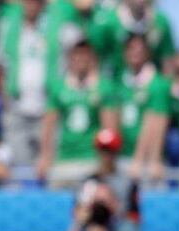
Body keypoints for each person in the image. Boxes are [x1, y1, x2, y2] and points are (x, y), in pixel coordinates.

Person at [37, 41, 118, 184]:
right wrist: (45, 156)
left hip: (91, 159)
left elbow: (109, 128)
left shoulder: (103, 87)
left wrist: (106, 161)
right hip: (65, 158)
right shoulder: (59, 87)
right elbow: (49, 124)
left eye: (85, 56)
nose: (81, 60)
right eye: (77, 56)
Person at [0, 0, 48, 167]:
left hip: (46, 106)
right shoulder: (8, 26)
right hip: (17, 106)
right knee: (19, 164)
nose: (32, 5)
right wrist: (5, 100)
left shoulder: (53, 26)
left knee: (45, 164)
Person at [118, 34, 170, 180]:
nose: (135, 53)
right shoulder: (119, 81)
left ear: (148, 53)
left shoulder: (158, 84)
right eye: (131, 48)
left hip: (145, 162)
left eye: (140, 49)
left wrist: (146, 159)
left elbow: (157, 122)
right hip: (121, 157)